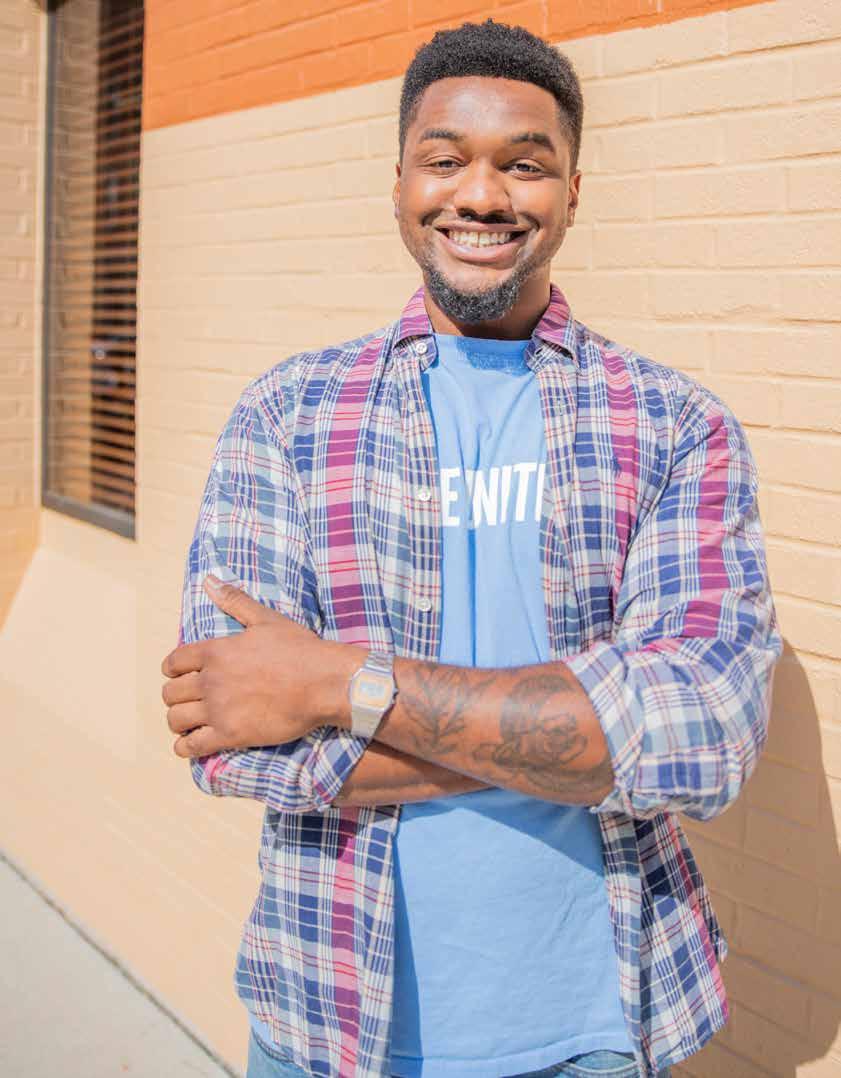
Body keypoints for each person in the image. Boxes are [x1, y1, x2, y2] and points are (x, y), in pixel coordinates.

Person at [161, 19, 781, 1078]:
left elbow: (703, 735)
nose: (482, 196)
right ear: (399, 183)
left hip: (594, 1022)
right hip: (326, 1012)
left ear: (571, 192)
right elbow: (232, 737)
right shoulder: (289, 416)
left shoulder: (674, 425)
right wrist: (576, 740)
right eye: (444, 159)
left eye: (523, 165)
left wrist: (336, 684)